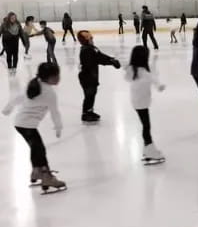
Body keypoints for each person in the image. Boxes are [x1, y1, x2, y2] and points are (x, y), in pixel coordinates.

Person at [2, 63, 66, 193]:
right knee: (39, 149)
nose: (59, 78)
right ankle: (46, 176)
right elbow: (55, 112)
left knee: (36, 148)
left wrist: (8, 108)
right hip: (28, 125)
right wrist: (58, 126)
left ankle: (36, 171)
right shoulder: (49, 92)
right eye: (56, 75)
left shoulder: (35, 82)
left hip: (20, 123)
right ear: (50, 77)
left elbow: (19, 97)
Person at [125, 46, 166, 164]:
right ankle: (149, 148)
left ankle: (148, 148)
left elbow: (128, 78)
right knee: (146, 126)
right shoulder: (142, 71)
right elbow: (153, 79)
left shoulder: (133, 69)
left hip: (137, 101)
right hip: (141, 102)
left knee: (146, 125)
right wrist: (159, 86)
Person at [77, 30, 121, 123]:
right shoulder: (86, 50)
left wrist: (111, 59)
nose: (92, 39)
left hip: (91, 76)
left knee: (92, 94)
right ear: (85, 40)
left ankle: (89, 111)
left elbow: (100, 56)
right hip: (87, 77)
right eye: (90, 38)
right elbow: (98, 59)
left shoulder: (92, 48)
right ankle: (86, 114)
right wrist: (111, 62)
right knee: (89, 95)